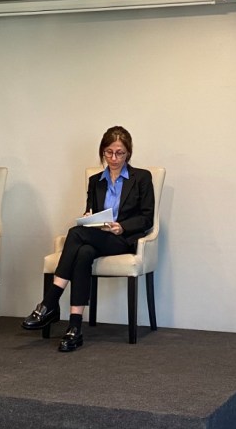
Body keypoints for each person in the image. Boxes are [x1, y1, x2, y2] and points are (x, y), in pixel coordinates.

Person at [21, 125, 154, 352]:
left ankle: (50, 302)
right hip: (98, 237)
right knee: (83, 252)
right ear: (102, 151)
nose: (114, 158)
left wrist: (122, 227)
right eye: (109, 152)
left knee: (75, 233)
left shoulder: (141, 177)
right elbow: (91, 211)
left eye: (120, 153)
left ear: (128, 153)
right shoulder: (96, 181)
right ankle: (75, 328)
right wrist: (88, 217)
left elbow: (147, 218)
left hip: (123, 240)